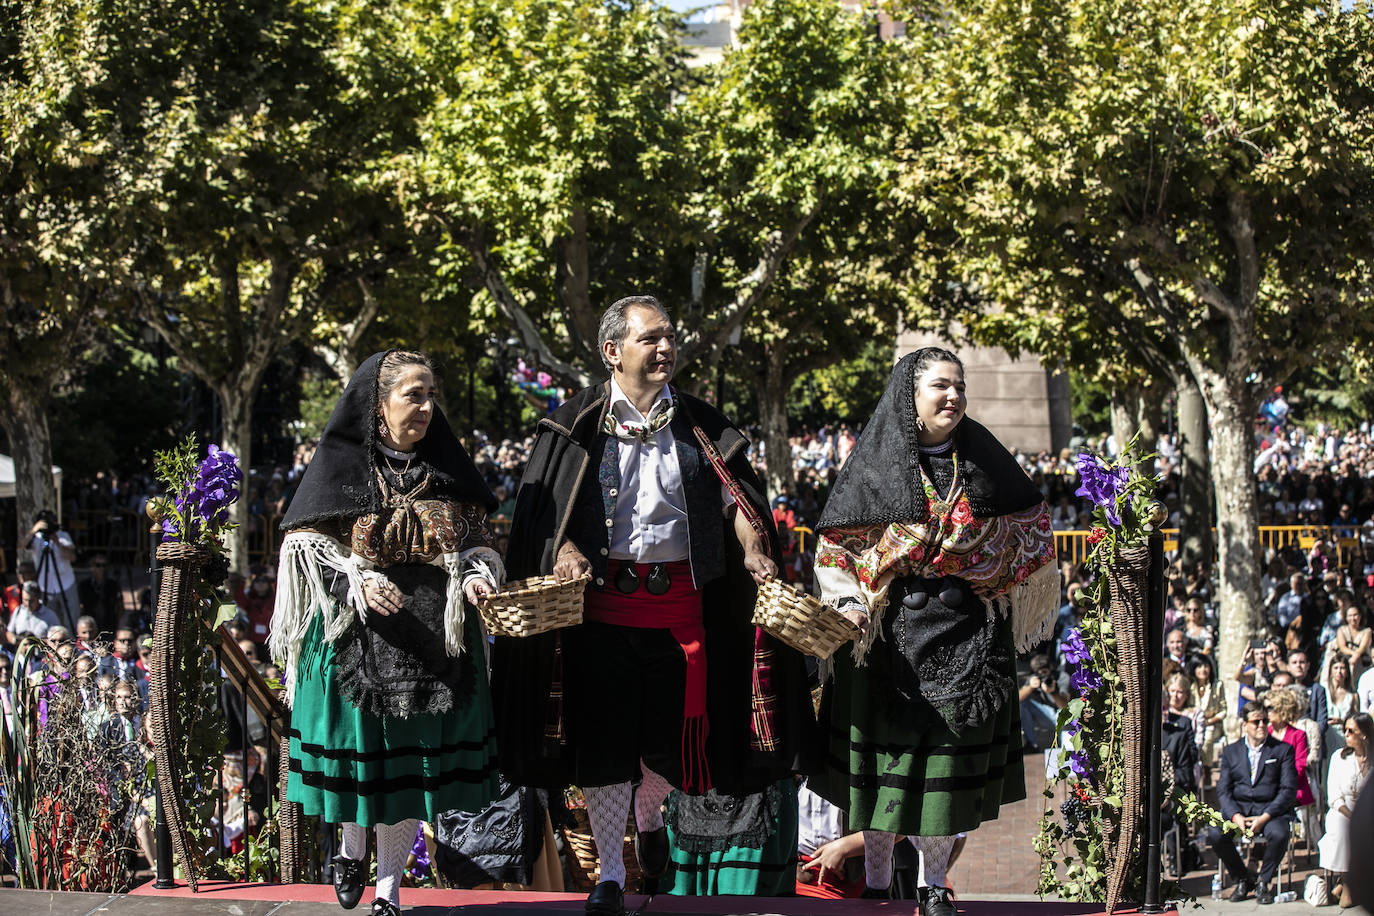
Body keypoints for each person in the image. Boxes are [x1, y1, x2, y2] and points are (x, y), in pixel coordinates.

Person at [495, 296, 814, 915]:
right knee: (606, 742)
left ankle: (650, 818)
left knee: (676, 743)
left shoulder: (701, 427)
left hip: (687, 618)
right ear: (613, 352)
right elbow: (544, 519)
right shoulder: (574, 426)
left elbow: (738, 506)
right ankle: (611, 873)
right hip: (603, 615)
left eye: (670, 338)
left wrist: (755, 549)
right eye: (651, 339)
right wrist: (563, 554)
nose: (665, 348)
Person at [812, 347, 1057, 916]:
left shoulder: (985, 463)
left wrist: (982, 569)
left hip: (968, 640)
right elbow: (839, 548)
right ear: (910, 396)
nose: (954, 397)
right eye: (941, 386)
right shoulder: (872, 466)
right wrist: (850, 601)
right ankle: (876, 886)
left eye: (961, 387)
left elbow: (1029, 533)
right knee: (885, 776)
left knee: (943, 780)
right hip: (885, 644)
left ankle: (933, 888)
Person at [269, 350, 504, 916]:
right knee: (361, 761)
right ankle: (351, 851)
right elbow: (303, 549)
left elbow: (476, 543)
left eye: (430, 397)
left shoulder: (447, 472)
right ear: (378, 406)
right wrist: (355, 582)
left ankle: (389, 890)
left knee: (406, 771)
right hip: (354, 638)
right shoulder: (340, 469)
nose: (426, 408)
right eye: (413, 396)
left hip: (432, 640)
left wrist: (476, 576)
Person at [1207, 702, 1299, 905]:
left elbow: (1288, 790)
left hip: (1270, 810)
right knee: (1214, 834)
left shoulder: (1282, 750)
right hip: (1239, 809)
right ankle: (1242, 879)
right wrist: (1235, 815)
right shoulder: (1231, 751)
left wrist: (1265, 817)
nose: (1261, 725)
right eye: (1256, 721)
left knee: (1280, 833)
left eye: (1265, 721)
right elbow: (1223, 789)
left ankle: (1263, 882)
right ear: (1244, 725)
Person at [1317, 713, 1371, 907]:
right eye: (1345, 730)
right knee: (1341, 828)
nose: (1345, 734)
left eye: (1351, 731)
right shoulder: (1338, 757)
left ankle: (1347, 884)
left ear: (1364, 735)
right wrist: (1351, 815)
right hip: (1343, 809)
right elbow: (1333, 796)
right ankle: (1347, 882)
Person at [25, 510, 78, 631]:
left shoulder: (63, 535)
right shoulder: (36, 538)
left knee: (71, 619)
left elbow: (72, 557)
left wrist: (57, 541)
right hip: (45, 586)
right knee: (51, 622)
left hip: (66, 583)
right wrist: (33, 530)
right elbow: (21, 545)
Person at [1263, 688, 1314, 808]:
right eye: (1265, 709)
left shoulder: (1298, 735)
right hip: (1268, 792)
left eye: (1270, 708)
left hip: (1295, 793)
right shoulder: (1265, 734)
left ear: (1282, 709)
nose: (1267, 712)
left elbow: (1300, 766)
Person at [1190, 657, 1226, 783]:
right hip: (1194, 723)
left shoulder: (1217, 685)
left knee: (1207, 737)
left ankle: (1207, 769)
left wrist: (1209, 721)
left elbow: (1223, 711)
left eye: (1206, 666)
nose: (1203, 670)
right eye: (1199, 667)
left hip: (1212, 724)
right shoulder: (1191, 686)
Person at [78, 554, 124, 635]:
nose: (101, 568)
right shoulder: (84, 585)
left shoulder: (113, 585)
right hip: (91, 627)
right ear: (92, 567)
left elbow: (120, 606)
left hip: (109, 626)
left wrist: (117, 623)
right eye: (98, 565)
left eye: (104, 565)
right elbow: (80, 606)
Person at [1332, 603, 1372, 684]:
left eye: (1355, 615)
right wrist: (1353, 654)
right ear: (1346, 617)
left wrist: (1356, 656)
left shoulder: (1367, 631)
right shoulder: (1341, 630)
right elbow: (1342, 647)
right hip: (1345, 662)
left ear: (1360, 616)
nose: (1353, 618)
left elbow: (1362, 647)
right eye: (1350, 615)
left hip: (1361, 663)